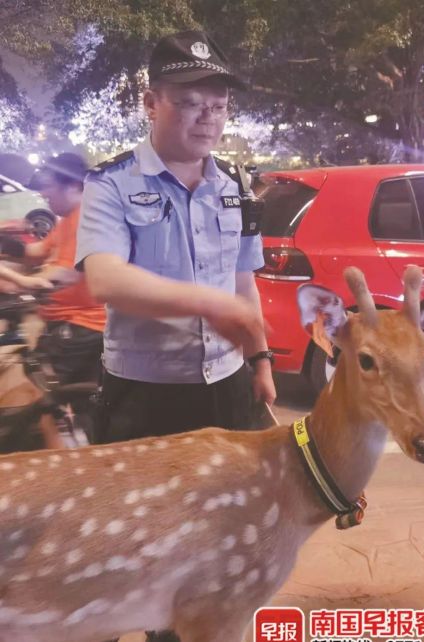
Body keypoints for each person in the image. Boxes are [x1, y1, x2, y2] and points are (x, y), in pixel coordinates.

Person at [76, 29, 275, 451]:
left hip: (227, 384)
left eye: (218, 107)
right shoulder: (111, 182)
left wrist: (261, 361)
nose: (208, 118)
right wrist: (207, 302)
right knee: (140, 516)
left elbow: (242, 280)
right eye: (189, 104)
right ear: (151, 103)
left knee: (228, 511)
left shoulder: (234, 186)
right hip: (144, 393)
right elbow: (106, 279)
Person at [0, 153, 106, 448]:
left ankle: (60, 469)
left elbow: (69, 272)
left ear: (72, 185)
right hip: (69, 320)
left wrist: (22, 284)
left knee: (41, 397)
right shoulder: (67, 219)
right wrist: (5, 245)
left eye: (49, 186)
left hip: (79, 323)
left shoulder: (87, 217)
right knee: (63, 399)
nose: (43, 194)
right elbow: (37, 254)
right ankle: (77, 447)